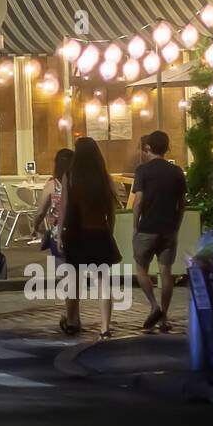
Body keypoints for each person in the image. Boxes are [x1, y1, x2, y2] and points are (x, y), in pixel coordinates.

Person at [55, 136, 123, 339]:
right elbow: (111, 211)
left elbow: (64, 208)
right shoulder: (104, 177)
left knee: (73, 280)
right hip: (99, 231)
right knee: (103, 281)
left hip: (76, 233)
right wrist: (109, 231)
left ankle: (72, 320)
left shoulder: (70, 175)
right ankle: (104, 327)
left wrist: (59, 234)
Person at [131, 131, 187, 333]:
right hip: (169, 229)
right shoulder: (177, 172)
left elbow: (139, 200)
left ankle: (154, 306)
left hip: (148, 228)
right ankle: (164, 318)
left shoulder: (143, 171)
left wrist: (135, 225)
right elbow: (181, 203)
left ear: (148, 148)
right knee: (166, 273)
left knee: (141, 268)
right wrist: (177, 224)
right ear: (167, 148)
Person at [32, 148, 74, 246]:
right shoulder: (79, 183)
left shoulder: (53, 185)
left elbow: (41, 212)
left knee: (59, 260)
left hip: (59, 232)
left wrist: (36, 226)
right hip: (79, 230)